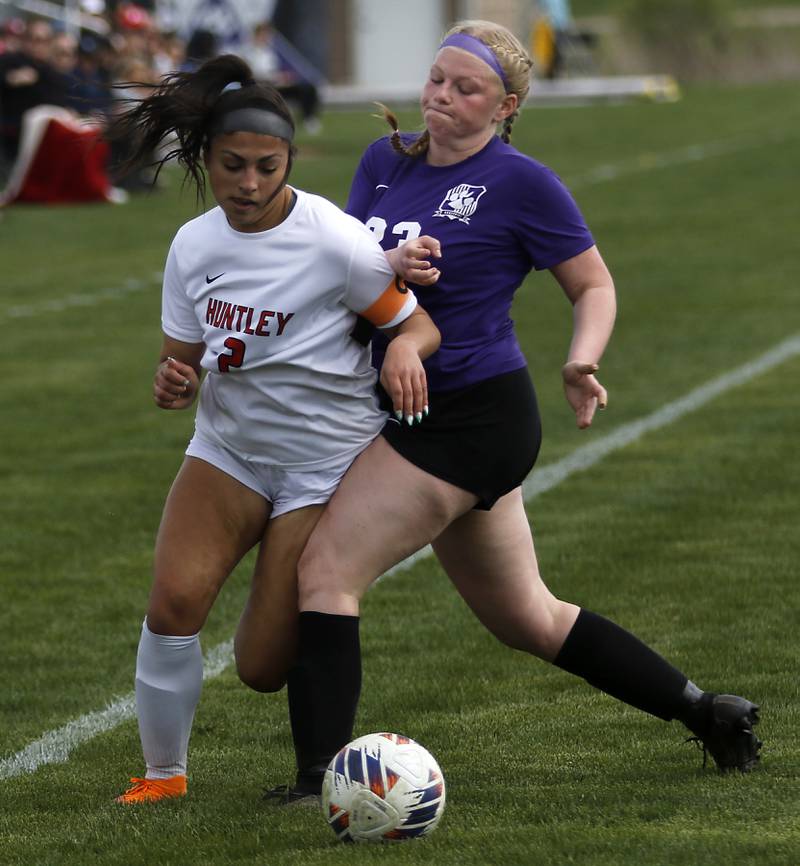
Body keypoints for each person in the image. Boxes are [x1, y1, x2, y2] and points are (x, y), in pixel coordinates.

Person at [249, 19, 762, 802]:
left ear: (507, 105)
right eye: (437, 80)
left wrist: (582, 357)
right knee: (528, 617)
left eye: (467, 89)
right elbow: (348, 272)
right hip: (417, 411)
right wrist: (385, 268)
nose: (442, 98)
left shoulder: (522, 182)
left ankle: (319, 777)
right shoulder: (383, 161)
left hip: (471, 416)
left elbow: (594, 285)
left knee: (328, 569)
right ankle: (706, 711)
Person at [105, 53, 440, 804]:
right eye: (232, 166)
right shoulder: (192, 246)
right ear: (204, 160)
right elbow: (181, 362)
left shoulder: (335, 240)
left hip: (322, 466)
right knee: (174, 604)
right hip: (227, 451)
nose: (249, 184)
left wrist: (404, 359)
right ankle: (163, 777)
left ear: (290, 160)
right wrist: (172, 381)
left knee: (259, 665)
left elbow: (415, 327)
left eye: (267, 166)